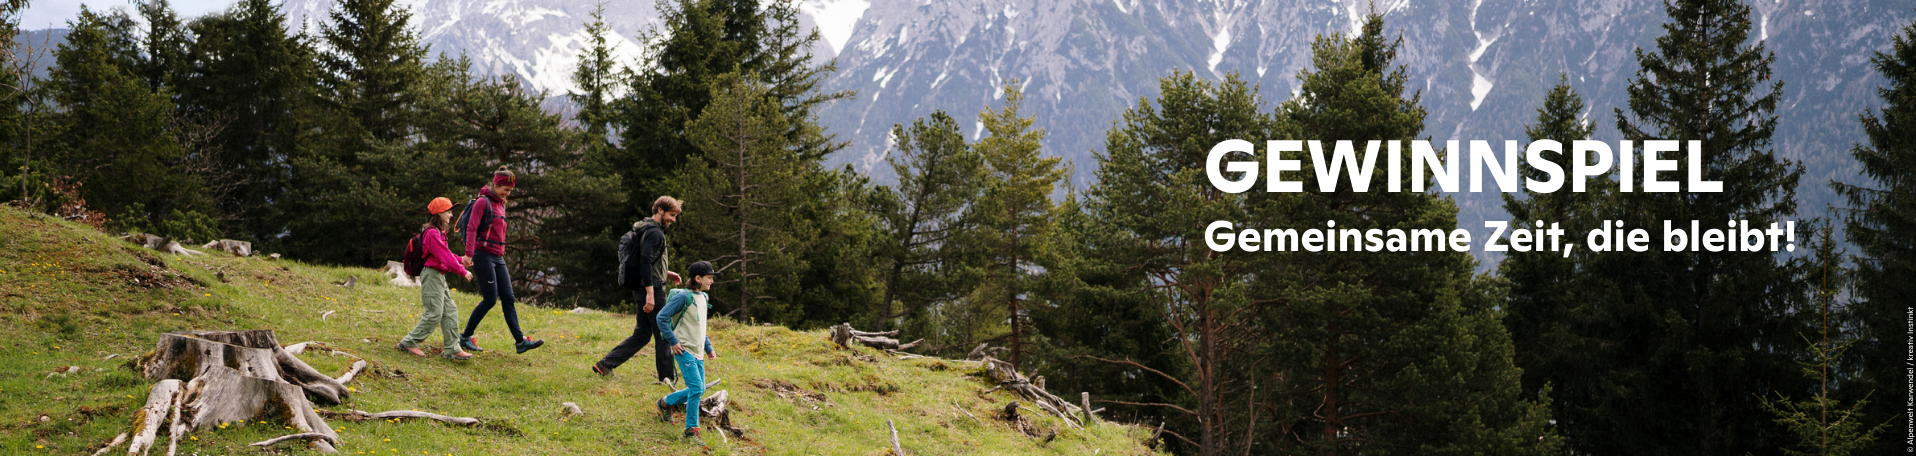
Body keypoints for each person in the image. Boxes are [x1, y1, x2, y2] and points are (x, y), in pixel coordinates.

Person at [593, 196, 683, 381]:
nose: (673, 220)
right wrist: (651, 293)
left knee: (642, 334)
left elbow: (647, 260)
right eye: (671, 215)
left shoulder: (643, 228)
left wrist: (667, 272)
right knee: (663, 333)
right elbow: (645, 261)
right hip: (652, 290)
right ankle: (667, 379)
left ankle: (605, 365)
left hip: (643, 288)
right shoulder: (655, 233)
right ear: (660, 210)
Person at [459, 166, 544, 354]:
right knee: (490, 299)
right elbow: (472, 228)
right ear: (496, 185)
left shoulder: (501, 203)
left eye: (510, 191)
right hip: (483, 255)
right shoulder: (483, 202)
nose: (508, 193)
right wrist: (468, 254)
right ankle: (465, 337)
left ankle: (520, 341)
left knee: (508, 298)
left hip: (498, 257)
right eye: (505, 189)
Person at [398, 197, 476, 360]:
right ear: (439, 213)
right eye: (448, 211)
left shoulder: (439, 233)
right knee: (434, 312)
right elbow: (444, 256)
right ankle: (409, 342)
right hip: (432, 275)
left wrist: (460, 259)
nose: (451, 215)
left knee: (450, 310)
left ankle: (452, 349)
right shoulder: (432, 234)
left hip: (438, 275)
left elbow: (446, 254)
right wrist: (462, 271)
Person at [655, 261, 718, 443]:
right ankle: (691, 431)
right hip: (684, 350)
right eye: (709, 278)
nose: (712, 281)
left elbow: (700, 326)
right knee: (697, 388)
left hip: (698, 351)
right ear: (698, 278)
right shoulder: (684, 297)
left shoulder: (704, 298)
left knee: (698, 388)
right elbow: (662, 317)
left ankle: (665, 402)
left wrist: (708, 347)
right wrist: (673, 341)